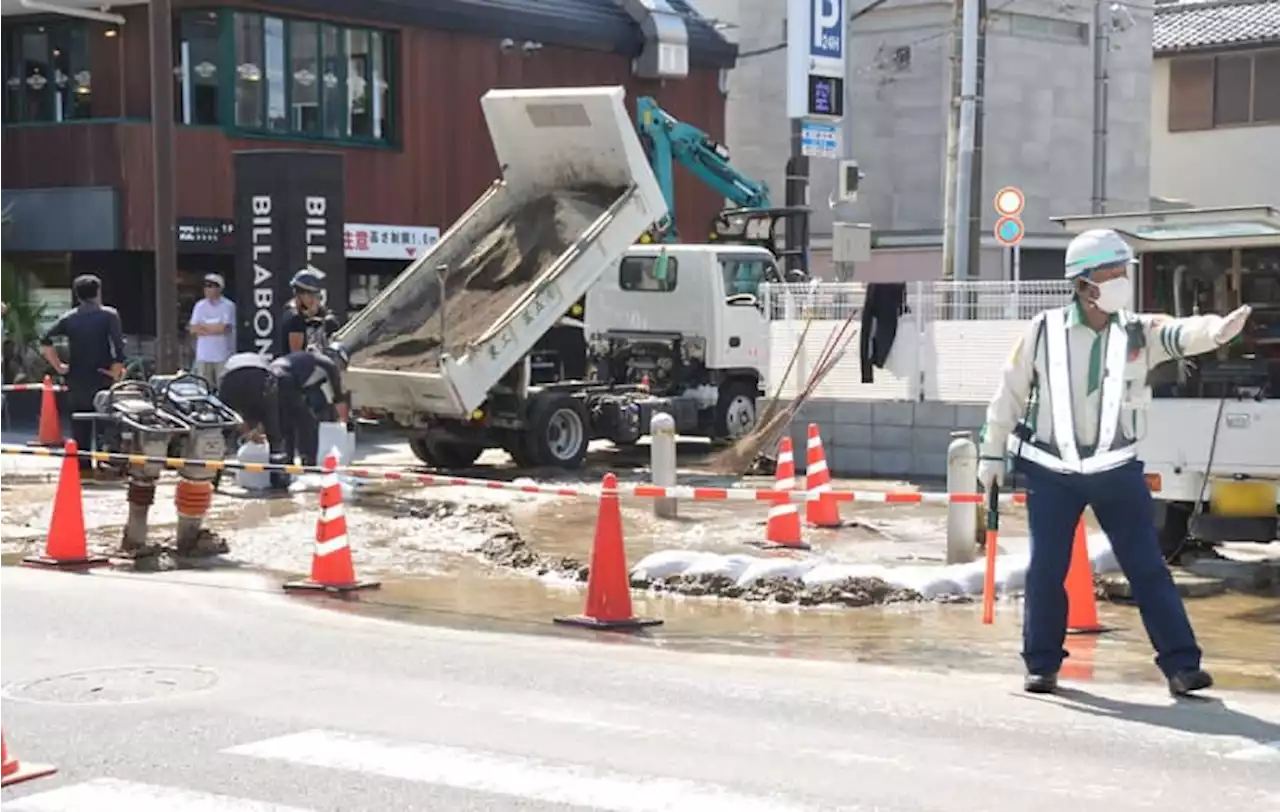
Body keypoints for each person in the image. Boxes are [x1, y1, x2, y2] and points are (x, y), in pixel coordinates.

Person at [977, 228, 1252, 697]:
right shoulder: (1042, 331)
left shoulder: (1136, 331)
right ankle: (1041, 664)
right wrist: (991, 452)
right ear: (1084, 283)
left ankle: (1183, 667)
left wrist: (1215, 329)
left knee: (1147, 567)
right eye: (1112, 275)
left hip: (1116, 471)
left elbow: (1179, 332)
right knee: (1047, 568)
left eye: (1124, 273)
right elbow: (1010, 393)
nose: (1122, 282)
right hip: (1051, 471)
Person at [39, 274, 126, 473]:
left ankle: (83, 468)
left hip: (77, 377)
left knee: (80, 426)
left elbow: (45, 340)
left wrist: (59, 366)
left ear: (77, 295)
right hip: (102, 376)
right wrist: (116, 372)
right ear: (97, 292)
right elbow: (118, 348)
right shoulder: (109, 315)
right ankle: (108, 466)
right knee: (107, 423)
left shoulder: (69, 318)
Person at [218, 345, 349, 472]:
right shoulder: (329, 365)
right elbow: (339, 398)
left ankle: (287, 462)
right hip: (284, 379)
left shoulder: (305, 359)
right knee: (307, 422)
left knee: (285, 424)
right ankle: (309, 464)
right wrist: (342, 423)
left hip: (271, 377)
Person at [188, 273, 236, 386]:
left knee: (222, 386)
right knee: (203, 388)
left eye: (210, 286)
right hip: (203, 356)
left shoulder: (228, 306)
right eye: (205, 286)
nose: (207, 289)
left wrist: (203, 327)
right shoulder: (199, 306)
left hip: (222, 355)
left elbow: (223, 328)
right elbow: (193, 329)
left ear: (219, 288)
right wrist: (213, 328)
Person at [279, 268, 341, 355]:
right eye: (312, 295)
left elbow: (322, 314)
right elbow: (296, 357)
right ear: (302, 295)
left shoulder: (299, 312)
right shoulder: (295, 319)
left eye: (316, 295)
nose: (315, 299)